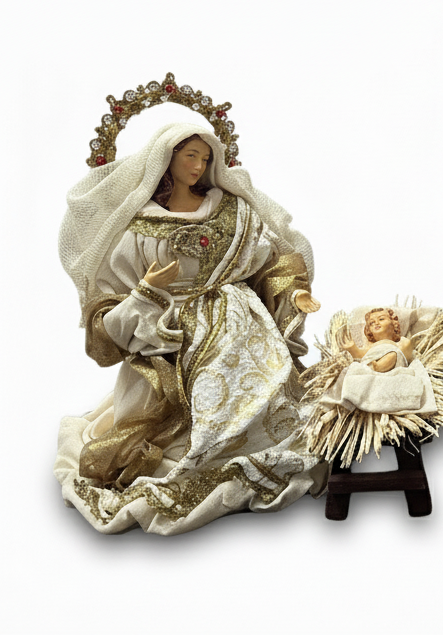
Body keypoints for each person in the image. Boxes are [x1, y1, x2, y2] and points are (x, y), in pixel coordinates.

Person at [55, 122, 326, 533]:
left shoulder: (233, 210)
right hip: (172, 327)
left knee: (269, 391)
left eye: (206, 157)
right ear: (167, 158)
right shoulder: (140, 225)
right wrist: (147, 291)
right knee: (190, 401)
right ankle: (198, 446)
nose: (199, 166)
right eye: (190, 156)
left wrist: (293, 291)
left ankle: (254, 435)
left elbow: (269, 260)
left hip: (242, 322)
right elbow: (112, 297)